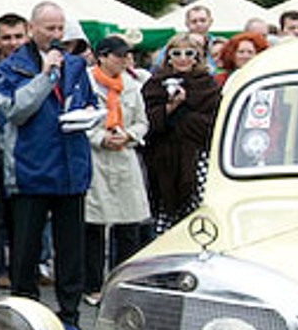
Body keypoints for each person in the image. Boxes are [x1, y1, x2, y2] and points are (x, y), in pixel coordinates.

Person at [0, 1, 96, 326]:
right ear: (32, 27)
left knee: (70, 251)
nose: (55, 35)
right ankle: (26, 313)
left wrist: (91, 117)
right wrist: (45, 75)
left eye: (59, 28)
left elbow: (90, 103)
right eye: (49, 28)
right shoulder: (12, 67)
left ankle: (70, 313)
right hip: (31, 169)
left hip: (70, 169)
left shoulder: (76, 66)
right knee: (25, 250)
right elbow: (15, 110)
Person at [83, 36, 150, 298]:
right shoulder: (86, 83)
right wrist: (100, 137)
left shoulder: (132, 85)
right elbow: (79, 118)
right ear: (102, 56)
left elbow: (142, 122)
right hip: (95, 158)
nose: (124, 60)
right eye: (118, 56)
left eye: (126, 56)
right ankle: (92, 285)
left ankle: (121, 281)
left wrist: (130, 136)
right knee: (94, 224)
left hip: (124, 157)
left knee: (129, 222)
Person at [143, 35, 222, 229]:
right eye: (176, 53)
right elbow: (146, 122)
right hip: (163, 161)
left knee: (199, 210)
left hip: (196, 157)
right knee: (165, 216)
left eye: (189, 53)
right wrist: (170, 108)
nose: (183, 58)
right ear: (168, 57)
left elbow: (214, 124)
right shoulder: (154, 84)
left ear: (197, 57)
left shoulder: (208, 85)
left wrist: (184, 116)